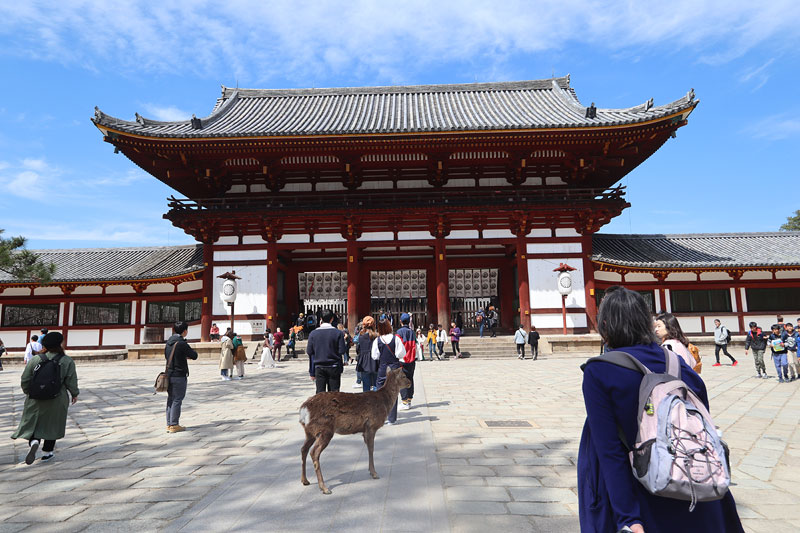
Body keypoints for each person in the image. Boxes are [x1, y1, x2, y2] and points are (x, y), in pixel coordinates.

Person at [578, 287, 743, 533]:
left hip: (639, 493)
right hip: (694, 487)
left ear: (605, 325)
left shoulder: (600, 372)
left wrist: (628, 517)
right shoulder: (680, 367)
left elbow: (610, 451)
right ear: (647, 323)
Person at [12, 332, 79, 464]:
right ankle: (47, 452)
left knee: (34, 421)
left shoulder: (36, 359)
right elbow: (71, 380)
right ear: (60, 344)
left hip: (35, 397)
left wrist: (29, 392)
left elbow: (25, 379)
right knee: (52, 424)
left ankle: (34, 441)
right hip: (57, 397)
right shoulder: (66, 361)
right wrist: (74, 393)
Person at [370, 317, 406, 424]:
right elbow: (401, 354)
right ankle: (392, 418)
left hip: (383, 367)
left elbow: (374, 356)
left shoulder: (377, 340)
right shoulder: (396, 339)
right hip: (394, 367)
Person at [164, 321, 198, 433]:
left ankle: (169, 423)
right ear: (184, 331)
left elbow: (167, 356)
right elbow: (194, 355)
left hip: (169, 373)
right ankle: (174, 424)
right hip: (179, 374)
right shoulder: (181, 343)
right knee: (178, 399)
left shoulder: (168, 342)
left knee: (170, 399)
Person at [307, 309, 347, 393]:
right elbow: (342, 350)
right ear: (332, 319)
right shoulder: (338, 333)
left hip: (319, 366)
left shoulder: (313, 334)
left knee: (320, 393)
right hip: (334, 366)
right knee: (334, 393)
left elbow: (309, 351)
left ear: (321, 318)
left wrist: (311, 371)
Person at [396, 313, 417, 410]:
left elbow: (397, 346)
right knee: (410, 378)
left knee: (401, 379)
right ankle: (409, 399)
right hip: (411, 358)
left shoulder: (399, 332)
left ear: (400, 321)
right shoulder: (412, 332)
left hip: (402, 359)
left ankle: (404, 401)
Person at [356, 316, 379, 391]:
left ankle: (366, 402)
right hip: (375, 362)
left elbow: (358, 349)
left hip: (364, 362)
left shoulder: (361, 336)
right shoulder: (377, 336)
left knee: (366, 386)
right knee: (376, 385)